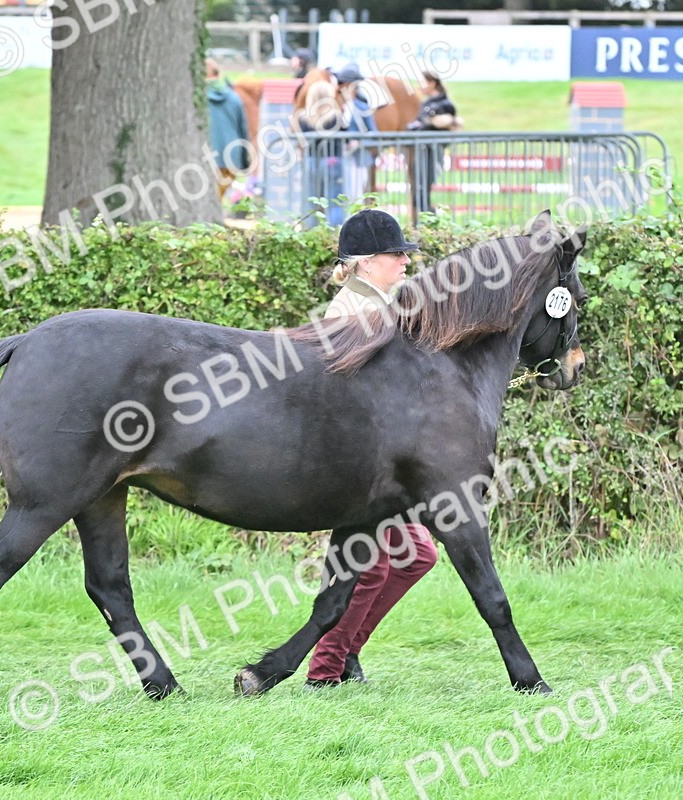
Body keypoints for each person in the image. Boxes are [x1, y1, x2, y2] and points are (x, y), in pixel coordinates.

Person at [304, 208, 439, 688]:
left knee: (419, 556)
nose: (405, 261)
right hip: (361, 465)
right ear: (365, 263)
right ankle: (325, 670)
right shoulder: (348, 312)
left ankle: (346, 652)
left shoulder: (385, 301)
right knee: (376, 565)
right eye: (394, 254)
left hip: (386, 464)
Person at [406, 72, 461, 215]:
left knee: (423, 188)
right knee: (419, 191)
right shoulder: (428, 103)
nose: (419, 87)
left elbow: (450, 124)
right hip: (422, 150)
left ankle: (430, 218)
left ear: (432, 83)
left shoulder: (444, 104)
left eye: (422, 82)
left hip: (431, 151)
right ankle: (428, 218)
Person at [292, 78, 345, 226]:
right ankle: (336, 232)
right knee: (335, 200)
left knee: (311, 200)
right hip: (332, 160)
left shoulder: (302, 117)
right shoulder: (336, 116)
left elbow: (300, 140)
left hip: (310, 161)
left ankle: (311, 231)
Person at [204, 58, 251, 201]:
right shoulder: (234, 98)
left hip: (206, 156)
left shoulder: (198, 100)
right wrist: (244, 161)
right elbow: (243, 129)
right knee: (216, 199)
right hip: (231, 156)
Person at [335, 63, 378, 217]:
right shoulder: (339, 105)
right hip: (342, 158)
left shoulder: (362, 106)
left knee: (356, 194)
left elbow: (373, 133)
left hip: (358, 158)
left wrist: (359, 142)